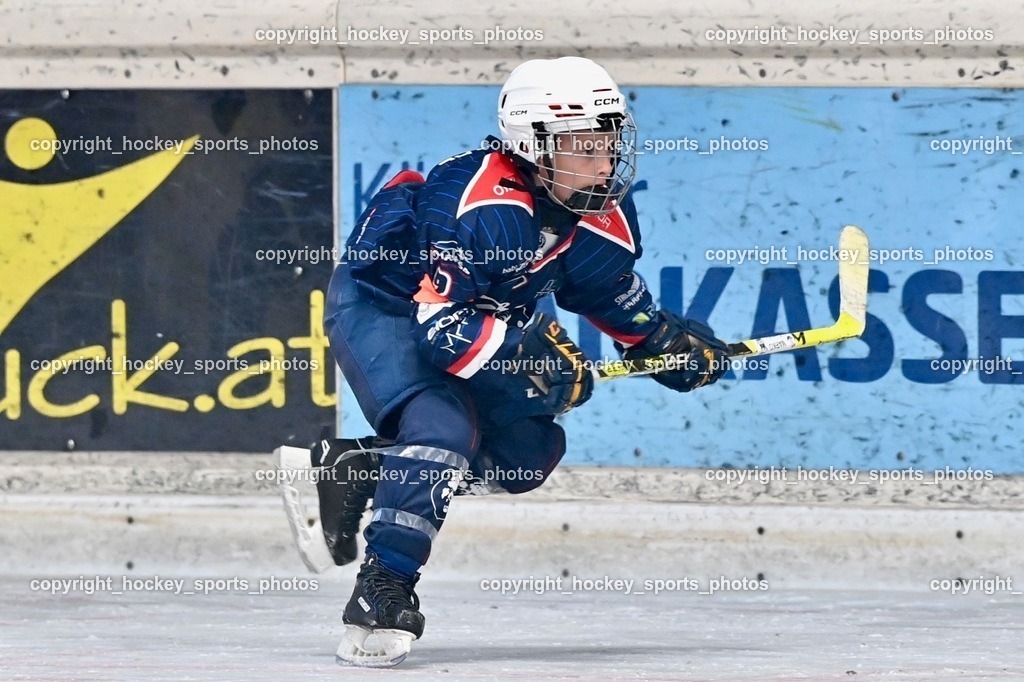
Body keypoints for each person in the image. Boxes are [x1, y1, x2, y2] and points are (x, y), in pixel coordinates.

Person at [288, 56, 729, 667]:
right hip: (385, 310)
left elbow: (613, 301)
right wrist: (527, 356)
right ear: (532, 145)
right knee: (442, 432)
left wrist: (670, 347)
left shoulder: (598, 212)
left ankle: (363, 467)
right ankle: (382, 588)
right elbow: (441, 332)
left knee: (529, 455)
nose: (603, 164)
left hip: (478, 319)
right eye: (583, 147)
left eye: (608, 145)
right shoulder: (478, 207)